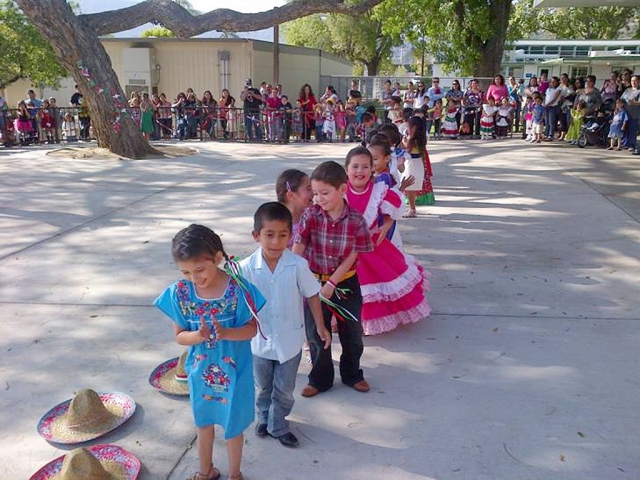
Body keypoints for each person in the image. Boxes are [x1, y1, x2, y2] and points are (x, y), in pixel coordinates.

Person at [155, 224, 265, 480]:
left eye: (200, 270)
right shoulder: (180, 294)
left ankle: (234, 473)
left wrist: (225, 333)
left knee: (233, 427)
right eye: (185, 272)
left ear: (217, 258)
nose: (194, 278)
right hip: (200, 374)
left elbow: (251, 330)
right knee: (203, 424)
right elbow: (180, 335)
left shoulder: (239, 290)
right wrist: (198, 336)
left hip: (236, 373)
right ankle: (206, 471)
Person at [240, 203, 330, 449]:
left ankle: (278, 425)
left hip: (290, 342)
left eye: (282, 235)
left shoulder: (298, 265)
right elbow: (235, 300)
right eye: (269, 235)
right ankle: (264, 417)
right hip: (258, 343)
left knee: (284, 389)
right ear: (256, 235)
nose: (276, 242)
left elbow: (312, 294)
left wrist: (320, 327)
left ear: (291, 236)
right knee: (263, 387)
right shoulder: (245, 268)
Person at [292, 161, 373, 397]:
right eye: (315, 193)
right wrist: (290, 273)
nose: (318, 199)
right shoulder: (311, 215)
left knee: (352, 332)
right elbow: (300, 245)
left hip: (344, 283)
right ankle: (320, 379)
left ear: (343, 189)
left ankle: (352, 374)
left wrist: (332, 283)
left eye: (325, 193)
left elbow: (354, 254)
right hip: (313, 283)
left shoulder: (357, 220)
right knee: (316, 333)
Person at [345, 146, 431, 335]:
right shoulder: (340, 191)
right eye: (355, 166)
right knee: (349, 288)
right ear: (346, 169)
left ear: (372, 169)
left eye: (365, 166)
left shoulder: (379, 190)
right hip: (346, 252)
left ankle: (368, 322)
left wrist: (386, 225)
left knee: (374, 287)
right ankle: (347, 321)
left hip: (375, 249)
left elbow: (395, 206)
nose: (360, 171)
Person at [276, 169, 313, 246]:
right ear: (291, 195)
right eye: (309, 189)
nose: (313, 192)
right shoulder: (276, 222)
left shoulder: (312, 216)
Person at [401, 116, 427, 217]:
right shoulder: (421, 138)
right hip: (417, 163)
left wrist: (404, 142)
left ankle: (412, 209)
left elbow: (407, 149)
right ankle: (412, 208)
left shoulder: (413, 139)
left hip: (412, 163)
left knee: (409, 186)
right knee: (412, 187)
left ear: (414, 127)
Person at [621, 75, 640, 153]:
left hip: (635, 113)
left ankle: (632, 145)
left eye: (635, 81)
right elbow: (621, 100)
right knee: (625, 129)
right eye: (632, 81)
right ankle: (625, 144)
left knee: (632, 130)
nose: (633, 82)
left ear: (639, 82)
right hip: (625, 113)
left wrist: (634, 102)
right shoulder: (627, 90)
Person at [543, 76, 562, 141]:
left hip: (553, 107)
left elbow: (554, 99)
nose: (552, 83)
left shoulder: (558, 89)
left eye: (554, 82)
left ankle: (551, 135)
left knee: (552, 122)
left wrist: (548, 104)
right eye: (551, 81)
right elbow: (546, 97)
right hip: (546, 107)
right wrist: (544, 104)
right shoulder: (548, 89)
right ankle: (546, 134)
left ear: (557, 82)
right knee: (547, 121)